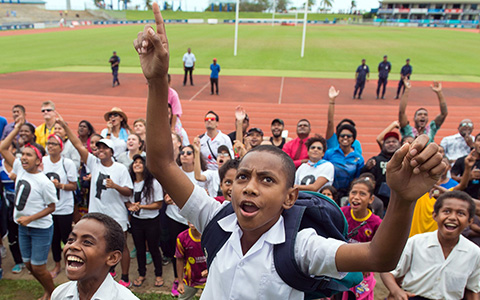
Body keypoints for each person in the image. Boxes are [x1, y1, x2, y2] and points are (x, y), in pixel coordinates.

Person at [133, 7, 447, 298]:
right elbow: (161, 162)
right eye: (243, 176)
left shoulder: (300, 247)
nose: (250, 186)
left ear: (290, 197)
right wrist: (158, 81)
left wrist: (404, 199)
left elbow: (378, 256)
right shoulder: (216, 219)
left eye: (267, 180)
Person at [57, 114, 134, 288]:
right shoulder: (93, 163)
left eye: (104, 148)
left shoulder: (120, 168)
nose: (100, 151)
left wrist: (115, 186)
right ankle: (106, 271)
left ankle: (126, 277)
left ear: (111, 152)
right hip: (97, 214)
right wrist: (64, 125)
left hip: (116, 214)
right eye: (98, 149)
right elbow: (78, 145)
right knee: (98, 245)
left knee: (121, 246)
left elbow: (129, 191)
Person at [380, 191, 480, 300]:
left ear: (470, 221)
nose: (452, 217)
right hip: (413, 297)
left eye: (461, 213)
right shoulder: (416, 242)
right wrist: (396, 291)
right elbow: (387, 272)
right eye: (446, 211)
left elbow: (472, 289)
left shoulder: (474, 253)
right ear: (435, 215)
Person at [0, 118, 57, 300]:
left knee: (38, 267)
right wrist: (16, 128)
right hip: (23, 226)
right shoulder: (20, 168)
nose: (23, 157)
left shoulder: (44, 182)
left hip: (40, 228)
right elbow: (2, 148)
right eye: (22, 154)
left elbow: (51, 207)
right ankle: (47, 288)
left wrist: (31, 218)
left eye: (28, 155)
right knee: (28, 264)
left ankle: (52, 293)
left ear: (38, 161)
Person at [51, 213, 139, 300]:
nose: (72, 246)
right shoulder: (60, 294)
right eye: (71, 240)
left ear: (112, 258)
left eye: (87, 242)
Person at [43, 134, 78, 279]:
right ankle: (57, 265)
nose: (50, 146)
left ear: (60, 147)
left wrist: (60, 185)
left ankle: (71, 262)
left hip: (64, 207)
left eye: (54, 144)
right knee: (54, 238)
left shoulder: (67, 163)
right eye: (48, 143)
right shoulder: (43, 161)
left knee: (67, 237)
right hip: (48, 208)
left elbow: (74, 186)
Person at [341, 178, 382, 300]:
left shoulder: (376, 223)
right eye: (353, 192)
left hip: (363, 271)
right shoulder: (342, 213)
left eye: (362, 194)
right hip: (341, 266)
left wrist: (368, 266)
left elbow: (378, 250)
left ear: (371, 199)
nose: (356, 197)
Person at [127, 155, 164, 288]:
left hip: (151, 221)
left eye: (140, 163)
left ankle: (158, 274)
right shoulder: (130, 182)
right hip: (136, 221)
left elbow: (159, 204)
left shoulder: (153, 182)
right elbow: (127, 200)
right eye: (135, 162)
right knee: (139, 249)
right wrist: (130, 207)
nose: (137, 164)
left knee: (154, 248)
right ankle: (141, 274)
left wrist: (140, 206)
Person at [398, 80, 448, 144]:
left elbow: (444, 114)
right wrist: (407, 90)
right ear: (414, 118)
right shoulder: (407, 130)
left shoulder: (431, 129)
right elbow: (401, 112)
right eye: (419, 114)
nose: (423, 116)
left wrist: (439, 93)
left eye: (425, 114)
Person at [361, 131, 401, 208]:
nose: (391, 144)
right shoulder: (376, 160)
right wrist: (367, 168)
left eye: (394, 141)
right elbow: (363, 176)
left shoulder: (403, 160)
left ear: (399, 144)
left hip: (398, 202)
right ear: (383, 145)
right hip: (379, 202)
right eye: (388, 142)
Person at [324, 124, 365, 199]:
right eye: (342, 136)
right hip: (330, 192)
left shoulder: (359, 158)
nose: (345, 138)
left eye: (349, 136)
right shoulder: (329, 153)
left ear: (353, 139)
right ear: (338, 138)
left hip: (347, 193)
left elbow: (357, 178)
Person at [325, 86, 363, 155]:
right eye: (343, 129)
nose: (345, 136)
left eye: (349, 133)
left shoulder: (356, 144)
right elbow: (330, 122)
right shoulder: (332, 139)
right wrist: (332, 101)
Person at [175, 222, 207, 300]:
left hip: (210, 280)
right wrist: (180, 282)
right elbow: (179, 259)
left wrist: (209, 270)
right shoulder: (182, 237)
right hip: (190, 280)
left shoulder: (210, 235)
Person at [451, 135, 480, 199]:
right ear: (474, 143)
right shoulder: (463, 160)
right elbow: (452, 177)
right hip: (464, 198)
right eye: (479, 140)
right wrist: (467, 177)